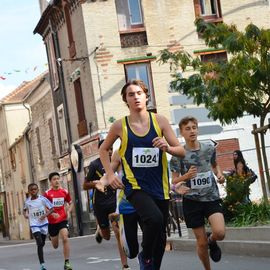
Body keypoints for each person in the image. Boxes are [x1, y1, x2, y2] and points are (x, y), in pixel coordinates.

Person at [99, 79, 185, 270]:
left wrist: (168, 147)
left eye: (139, 93)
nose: (136, 97)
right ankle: (144, 255)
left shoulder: (160, 121)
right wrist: (110, 175)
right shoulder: (120, 126)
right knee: (154, 219)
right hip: (135, 186)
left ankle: (150, 265)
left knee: (160, 237)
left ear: (146, 96)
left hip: (160, 187)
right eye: (131, 94)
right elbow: (103, 150)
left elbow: (181, 150)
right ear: (126, 100)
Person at [170, 116, 225, 270]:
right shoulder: (178, 155)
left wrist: (219, 175)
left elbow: (215, 166)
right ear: (181, 133)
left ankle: (212, 240)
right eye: (187, 129)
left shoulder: (209, 148)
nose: (192, 131)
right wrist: (185, 177)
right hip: (191, 201)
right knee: (200, 242)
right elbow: (174, 182)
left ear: (197, 129)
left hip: (211, 197)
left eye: (194, 127)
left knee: (220, 233)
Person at [83, 140, 130, 270]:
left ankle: (125, 265)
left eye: (110, 149)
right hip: (100, 203)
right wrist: (96, 183)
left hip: (114, 200)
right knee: (107, 236)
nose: (109, 151)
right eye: (106, 149)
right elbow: (84, 185)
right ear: (101, 150)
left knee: (118, 232)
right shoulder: (94, 165)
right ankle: (100, 228)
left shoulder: (116, 161)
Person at [44, 172, 73, 270]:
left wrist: (68, 211)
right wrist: (51, 213)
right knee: (55, 245)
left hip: (62, 219)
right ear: (50, 182)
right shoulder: (47, 193)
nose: (57, 181)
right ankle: (51, 236)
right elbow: (44, 207)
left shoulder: (64, 192)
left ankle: (67, 262)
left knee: (65, 237)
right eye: (54, 179)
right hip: (52, 222)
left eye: (58, 178)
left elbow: (71, 202)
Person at [23, 183, 54, 270]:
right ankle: (42, 265)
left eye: (35, 189)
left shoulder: (43, 199)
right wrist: (25, 214)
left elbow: (52, 208)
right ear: (29, 191)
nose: (33, 191)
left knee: (42, 243)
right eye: (32, 190)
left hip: (44, 224)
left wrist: (45, 215)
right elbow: (24, 209)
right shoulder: (27, 201)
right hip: (34, 224)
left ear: (38, 190)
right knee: (40, 243)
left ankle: (40, 246)